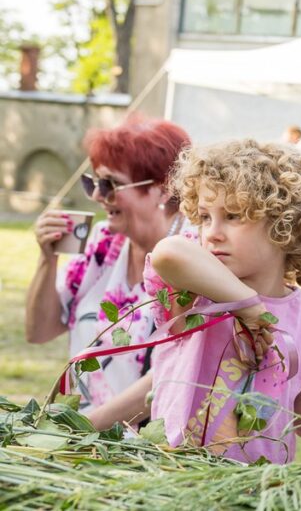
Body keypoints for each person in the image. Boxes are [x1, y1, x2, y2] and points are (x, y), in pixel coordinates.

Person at [87, 140, 301, 464]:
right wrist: (247, 304)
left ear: (284, 225)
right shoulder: (196, 293)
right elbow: (167, 253)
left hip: (254, 488)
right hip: (172, 471)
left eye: (232, 216)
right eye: (205, 217)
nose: (213, 233)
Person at [25, 118, 191, 410]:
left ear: (163, 189)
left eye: (110, 184)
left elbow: (173, 374)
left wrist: (91, 427)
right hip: (87, 437)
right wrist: (47, 259)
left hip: (149, 447)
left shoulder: (194, 254)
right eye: (94, 182)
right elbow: (39, 331)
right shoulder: (104, 243)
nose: (99, 196)